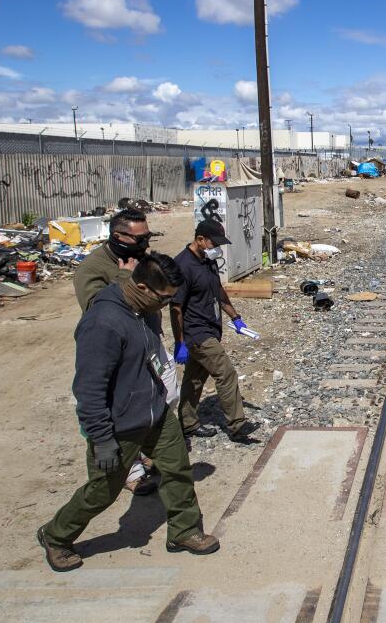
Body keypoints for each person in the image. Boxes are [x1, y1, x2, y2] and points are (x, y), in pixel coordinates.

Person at [38, 253, 218, 572]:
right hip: (120, 425)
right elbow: (89, 390)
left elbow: (125, 279)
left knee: (176, 471)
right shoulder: (103, 323)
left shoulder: (139, 302)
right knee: (102, 491)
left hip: (155, 413)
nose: (166, 305)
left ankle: (184, 531)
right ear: (145, 289)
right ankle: (56, 536)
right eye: (163, 298)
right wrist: (102, 439)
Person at [73, 208, 168, 496]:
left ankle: (146, 449)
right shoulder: (93, 268)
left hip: (148, 341)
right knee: (121, 408)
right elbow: (96, 311)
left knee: (158, 398)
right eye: (140, 238)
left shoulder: (141, 259)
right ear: (119, 236)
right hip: (119, 351)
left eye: (147, 236)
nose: (145, 243)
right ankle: (130, 471)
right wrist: (122, 277)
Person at [170, 219, 260, 442]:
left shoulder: (207, 261)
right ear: (199, 240)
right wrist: (180, 341)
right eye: (214, 243)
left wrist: (236, 318)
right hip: (197, 333)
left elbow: (218, 291)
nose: (217, 249)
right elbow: (176, 308)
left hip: (211, 327)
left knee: (194, 379)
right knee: (225, 373)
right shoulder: (182, 266)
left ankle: (188, 423)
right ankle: (238, 425)